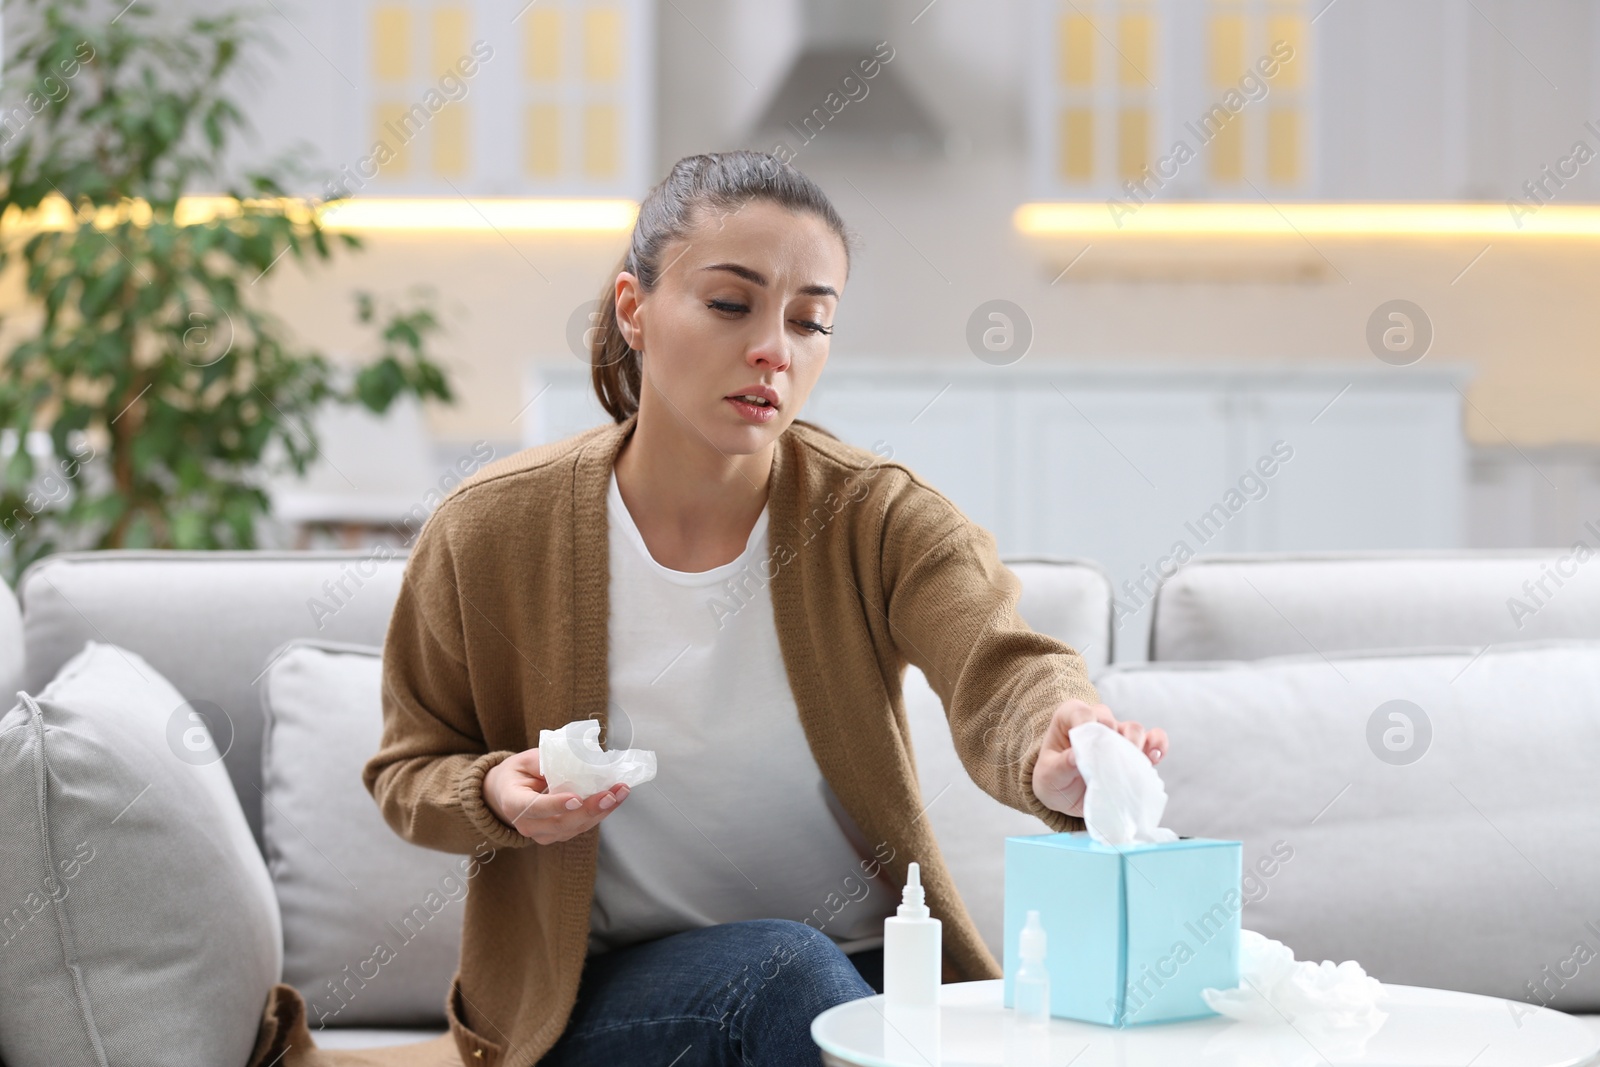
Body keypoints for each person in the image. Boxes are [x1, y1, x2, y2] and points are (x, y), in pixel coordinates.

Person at [362, 150, 1168, 1067]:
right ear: (634, 307)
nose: (774, 350)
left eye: (810, 320)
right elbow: (407, 772)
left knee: (833, 987)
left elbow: (1002, 658)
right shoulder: (490, 528)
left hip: (871, 973)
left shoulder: (876, 516)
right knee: (786, 969)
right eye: (729, 303)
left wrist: (1051, 740)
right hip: (605, 992)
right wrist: (495, 793)